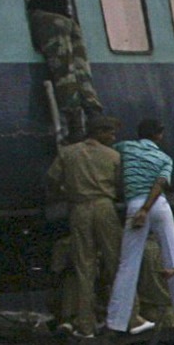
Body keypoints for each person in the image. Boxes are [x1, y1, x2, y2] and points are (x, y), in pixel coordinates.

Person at [104, 118, 174, 332]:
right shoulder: (164, 158)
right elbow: (160, 183)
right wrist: (149, 207)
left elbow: (109, 155)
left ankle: (116, 321)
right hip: (160, 206)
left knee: (128, 265)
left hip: (135, 205)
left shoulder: (125, 148)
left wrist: (142, 209)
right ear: (159, 135)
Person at [43, 114, 124, 331]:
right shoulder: (113, 155)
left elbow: (51, 179)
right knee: (115, 261)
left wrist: (64, 191)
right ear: (98, 132)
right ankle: (124, 317)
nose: (113, 137)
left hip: (79, 209)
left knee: (84, 266)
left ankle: (84, 322)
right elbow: (121, 185)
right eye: (110, 132)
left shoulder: (67, 153)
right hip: (104, 207)